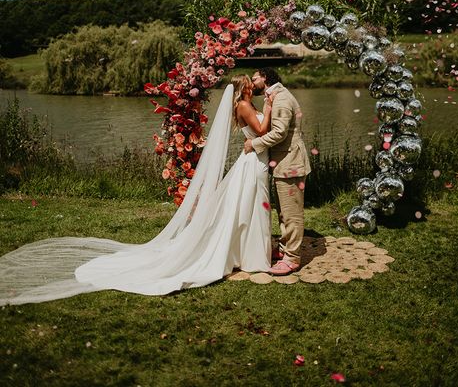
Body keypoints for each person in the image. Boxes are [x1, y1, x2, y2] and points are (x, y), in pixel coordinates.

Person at [0, 76, 273, 305]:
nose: (254, 87)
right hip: (251, 162)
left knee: (245, 205)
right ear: (244, 88)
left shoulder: (244, 105)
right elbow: (262, 129)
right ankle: (249, 254)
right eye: (251, 84)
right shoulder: (247, 106)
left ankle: (246, 251)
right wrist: (271, 107)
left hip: (252, 159)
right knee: (247, 203)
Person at [244, 68, 311, 276]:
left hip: (291, 163)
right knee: (284, 211)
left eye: (254, 78)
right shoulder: (272, 97)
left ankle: (292, 258)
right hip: (283, 163)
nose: (252, 82)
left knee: (292, 213)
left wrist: (254, 144)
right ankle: (284, 249)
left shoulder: (281, 98)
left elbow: (280, 133)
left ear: (264, 78)